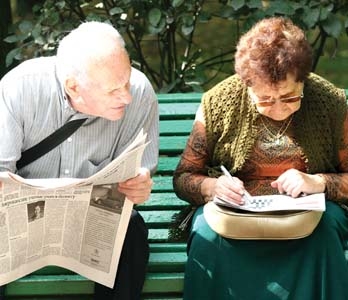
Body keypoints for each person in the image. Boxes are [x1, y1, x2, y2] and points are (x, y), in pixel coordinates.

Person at [173, 17, 348, 300]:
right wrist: (212, 188)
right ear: (246, 84)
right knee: (207, 232)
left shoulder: (329, 101)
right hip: (234, 215)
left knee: (324, 232)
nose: (279, 109)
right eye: (265, 100)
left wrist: (318, 182)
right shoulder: (218, 102)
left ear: (303, 79)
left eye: (290, 97)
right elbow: (183, 178)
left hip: (310, 217)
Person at [0, 21, 159, 300]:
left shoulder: (141, 93)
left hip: (93, 220)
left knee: (131, 229)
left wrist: (139, 184)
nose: (127, 96)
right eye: (113, 90)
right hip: (25, 220)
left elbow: (139, 170)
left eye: (127, 81)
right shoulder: (19, 88)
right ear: (74, 86)